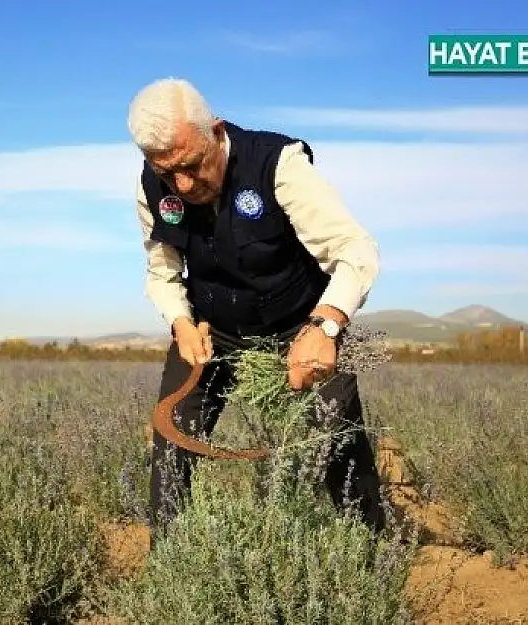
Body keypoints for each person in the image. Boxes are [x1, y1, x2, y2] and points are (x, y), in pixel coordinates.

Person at [128, 77, 395, 547]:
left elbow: (355, 248)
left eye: (191, 165)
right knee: (172, 441)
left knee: (336, 440)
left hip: (299, 325)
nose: (184, 185)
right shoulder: (152, 188)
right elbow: (162, 269)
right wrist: (181, 323)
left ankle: (372, 557)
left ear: (214, 131)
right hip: (214, 333)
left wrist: (325, 325)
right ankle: (168, 571)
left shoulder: (278, 164)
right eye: (169, 173)